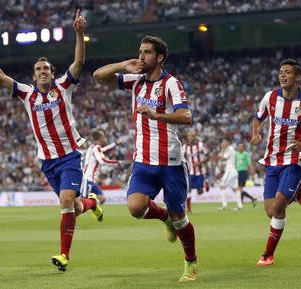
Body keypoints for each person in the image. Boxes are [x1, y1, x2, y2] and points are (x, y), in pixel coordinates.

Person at [0, 10, 103, 272]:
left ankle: (64, 255)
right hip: (48, 162)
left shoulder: (64, 86)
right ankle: (92, 203)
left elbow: (78, 62)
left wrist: (79, 32)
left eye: (46, 69)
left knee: (65, 203)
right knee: (73, 207)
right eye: (38, 69)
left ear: (52, 74)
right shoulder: (27, 94)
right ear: (33, 76)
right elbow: (0, 77)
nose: (42, 72)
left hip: (70, 156)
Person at [93, 35, 198, 282]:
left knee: (180, 219)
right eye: (140, 52)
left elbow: (186, 117)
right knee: (136, 208)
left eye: (147, 53)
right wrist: (123, 64)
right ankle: (163, 219)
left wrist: (156, 115)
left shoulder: (171, 84)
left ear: (159, 57)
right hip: (143, 161)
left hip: (170, 162)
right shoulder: (135, 81)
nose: (142, 56)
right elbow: (98, 76)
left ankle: (191, 262)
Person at [251, 58, 301, 266]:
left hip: (295, 160)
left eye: (287, 72)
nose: (282, 75)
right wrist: (256, 132)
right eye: (280, 72)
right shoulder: (270, 97)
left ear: (297, 77)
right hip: (272, 160)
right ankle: (298, 192)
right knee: (270, 211)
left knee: (278, 206)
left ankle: (268, 255)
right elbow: (258, 118)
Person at [82, 129, 122, 204]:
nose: (105, 139)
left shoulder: (92, 147)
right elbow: (102, 161)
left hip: (90, 179)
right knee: (83, 201)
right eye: (103, 137)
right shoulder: (96, 148)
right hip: (88, 179)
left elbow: (105, 150)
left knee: (101, 198)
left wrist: (116, 143)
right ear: (100, 138)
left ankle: (95, 211)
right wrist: (116, 162)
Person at [182, 130, 209, 213]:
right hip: (191, 172)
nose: (191, 137)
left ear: (195, 136)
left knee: (200, 192)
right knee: (188, 189)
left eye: (192, 135)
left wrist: (200, 163)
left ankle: (205, 184)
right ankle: (189, 209)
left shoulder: (200, 145)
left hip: (200, 172)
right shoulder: (185, 147)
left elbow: (208, 156)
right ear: (187, 136)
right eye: (189, 135)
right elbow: (183, 157)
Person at [218, 138, 243, 211]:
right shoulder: (230, 149)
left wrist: (222, 149)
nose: (223, 143)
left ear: (228, 142)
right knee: (235, 189)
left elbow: (222, 158)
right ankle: (240, 205)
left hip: (230, 171)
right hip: (233, 171)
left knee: (222, 186)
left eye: (224, 142)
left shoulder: (229, 149)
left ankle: (224, 205)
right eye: (222, 142)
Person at [235, 143, 257, 207]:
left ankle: (249, 199)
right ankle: (244, 202)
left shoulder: (245, 154)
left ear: (243, 148)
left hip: (244, 172)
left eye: (241, 147)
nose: (239, 148)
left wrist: (252, 173)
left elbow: (249, 164)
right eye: (239, 146)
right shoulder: (237, 154)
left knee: (239, 188)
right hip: (238, 172)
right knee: (240, 189)